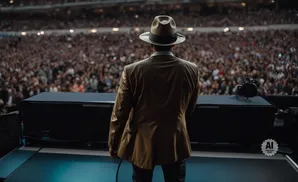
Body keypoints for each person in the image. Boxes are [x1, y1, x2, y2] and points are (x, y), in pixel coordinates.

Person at [108, 15, 200, 182]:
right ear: (173, 43)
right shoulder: (192, 70)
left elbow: (120, 112)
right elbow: (190, 107)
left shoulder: (131, 71)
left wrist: (113, 144)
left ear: (151, 43)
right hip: (175, 140)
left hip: (142, 142)